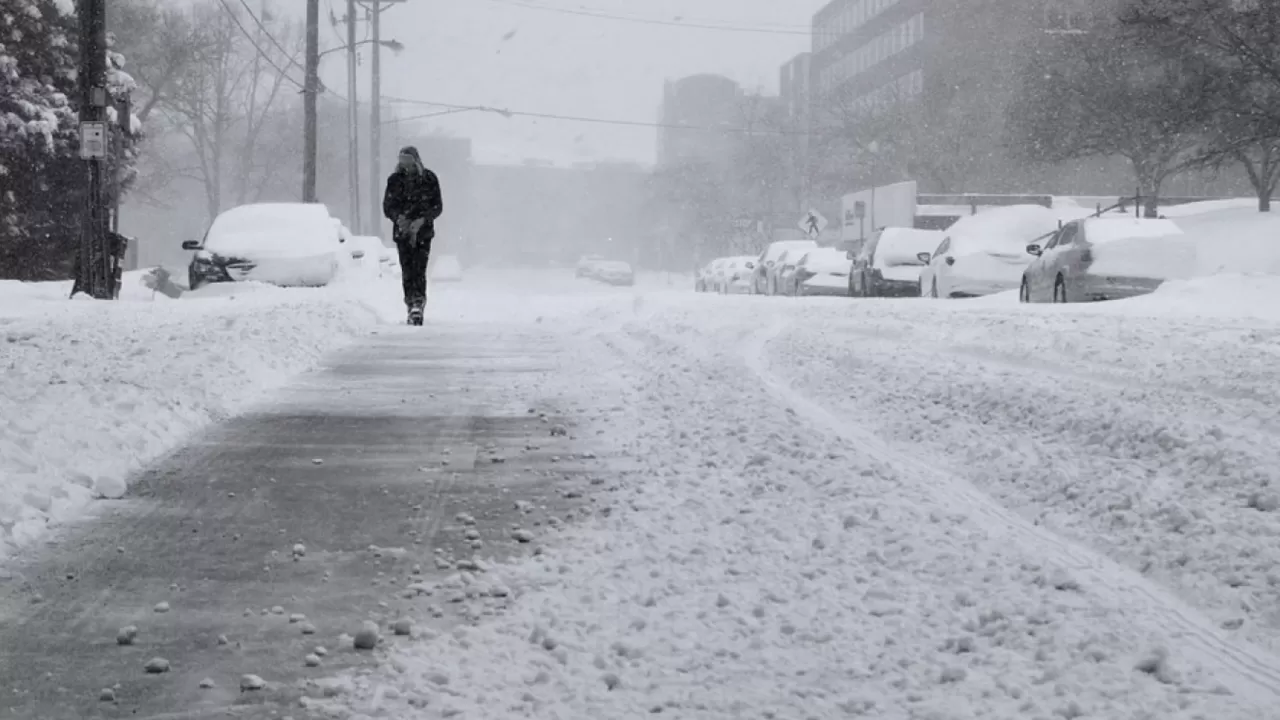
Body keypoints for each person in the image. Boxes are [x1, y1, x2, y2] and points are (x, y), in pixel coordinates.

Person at [382, 146, 443, 325]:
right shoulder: (394, 180)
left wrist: (423, 219)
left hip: (423, 233)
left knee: (419, 268)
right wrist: (398, 218)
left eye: (408, 159)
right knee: (407, 269)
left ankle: (419, 302)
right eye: (402, 159)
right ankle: (410, 302)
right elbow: (388, 206)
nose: (405, 163)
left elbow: (437, 206)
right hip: (402, 232)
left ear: (415, 160)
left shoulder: (429, 179)